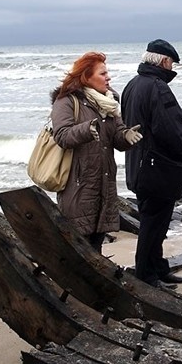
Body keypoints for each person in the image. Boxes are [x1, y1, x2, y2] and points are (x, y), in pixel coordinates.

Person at [50, 51, 143, 253]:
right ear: (86, 77)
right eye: (103, 73)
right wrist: (86, 129)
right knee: (79, 248)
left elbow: (117, 137)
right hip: (79, 186)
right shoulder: (66, 101)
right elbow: (62, 136)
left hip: (105, 185)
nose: (108, 77)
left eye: (107, 72)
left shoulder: (108, 103)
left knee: (96, 245)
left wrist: (126, 137)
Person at [121, 39, 182, 288]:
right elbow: (171, 130)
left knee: (152, 221)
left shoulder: (132, 85)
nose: (172, 67)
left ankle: (158, 268)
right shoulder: (157, 87)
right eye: (172, 62)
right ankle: (146, 275)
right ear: (164, 61)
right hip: (157, 169)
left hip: (138, 166)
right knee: (154, 225)